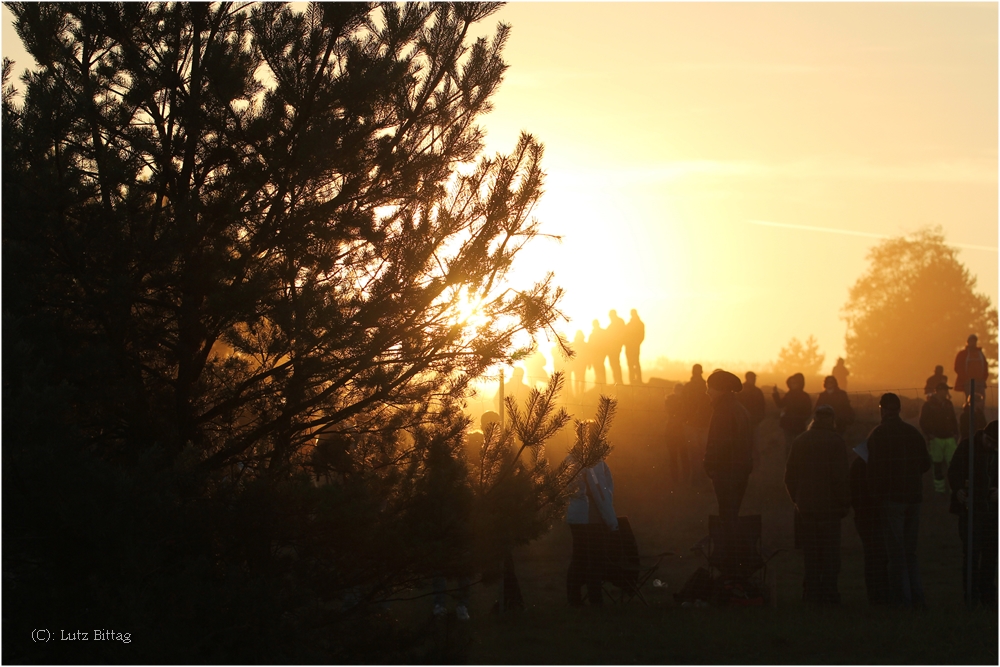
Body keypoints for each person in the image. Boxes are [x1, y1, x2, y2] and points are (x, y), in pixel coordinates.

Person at [866, 393, 931, 608]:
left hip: (892, 499)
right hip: (914, 497)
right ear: (899, 410)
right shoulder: (913, 433)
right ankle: (918, 596)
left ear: (882, 409)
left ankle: (901, 600)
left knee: (895, 551)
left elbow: (872, 469)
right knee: (910, 551)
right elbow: (926, 464)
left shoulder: (878, 434)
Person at [784, 405, 851, 604]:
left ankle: (811, 593)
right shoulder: (836, 442)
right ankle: (829, 594)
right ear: (832, 420)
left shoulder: (800, 440)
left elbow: (789, 476)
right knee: (830, 554)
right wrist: (845, 502)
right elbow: (840, 478)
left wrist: (797, 500)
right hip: (830, 507)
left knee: (811, 553)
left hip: (806, 507)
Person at [947, 420, 998, 607]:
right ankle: (971, 596)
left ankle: (987, 596)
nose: (992, 445)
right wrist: (958, 488)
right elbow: (954, 470)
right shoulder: (967, 447)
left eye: (996, 443)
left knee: (991, 555)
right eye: (990, 441)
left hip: (993, 514)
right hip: (970, 511)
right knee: (971, 554)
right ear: (983, 434)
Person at [565, 452, 619, 606]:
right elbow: (600, 493)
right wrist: (610, 520)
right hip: (592, 518)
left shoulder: (570, 459)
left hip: (576, 516)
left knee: (579, 559)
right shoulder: (593, 463)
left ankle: (574, 600)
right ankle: (596, 602)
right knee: (595, 561)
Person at [704, 370, 753, 519]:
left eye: (710, 387)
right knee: (732, 511)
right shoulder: (739, 408)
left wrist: (710, 464)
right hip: (740, 469)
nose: (707, 392)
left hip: (726, 471)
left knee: (726, 512)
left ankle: (727, 540)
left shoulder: (723, 411)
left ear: (720, 389)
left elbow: (720, 443)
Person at [850, 440, 889, 605]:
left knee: (871, 555)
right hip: (875, 515)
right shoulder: (877, 466)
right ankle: (881, 593)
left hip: (863, 516)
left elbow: (853, 493)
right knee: (880, 555)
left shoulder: (856, 466)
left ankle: (874, 594)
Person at [919, 383, 959, 494]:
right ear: (939, 390)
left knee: (954, 464)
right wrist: (929, 434)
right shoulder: (928, 405)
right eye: (945, 390)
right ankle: (939, 489)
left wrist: (956, 433)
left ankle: (954, 488)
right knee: (937, 465)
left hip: (949, 438)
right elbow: (922, 421)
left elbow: (953, 419)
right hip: (936, 439)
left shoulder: (948, 403)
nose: (947, 392)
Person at [683, 364, 713, 484]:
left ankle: (695, 477)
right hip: (702, 423)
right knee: (702, 452)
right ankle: (701, 477)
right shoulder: (705, 386)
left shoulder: (688, 387)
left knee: (694, 452)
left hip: (692, 423)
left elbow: (683, 404)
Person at [773, 373, 812, 458]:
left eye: (795, 383)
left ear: (800, 383)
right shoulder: (789, 394)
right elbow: (780, 404)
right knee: (789, 445)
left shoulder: (805, 396)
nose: (792, 385)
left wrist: (801, 419)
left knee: (799, 445)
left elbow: (808, 412)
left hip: (799, 425)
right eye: (791, 383)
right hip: (787, 424)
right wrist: (776, 394)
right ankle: (789, 463)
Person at [664, 383, 691, 485]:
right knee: (677, 456)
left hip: (675, 430)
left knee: (681, 456)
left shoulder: (670, 400)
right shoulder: (683, 401)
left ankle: (682, 479)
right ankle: (678, 479)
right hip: (679, 430)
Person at [954, 334, 989, 399]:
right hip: (968, 382)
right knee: (970, 401)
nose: (973, 343)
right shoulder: (962, 354)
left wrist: (983, 379)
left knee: (981, 401)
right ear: (968, 342)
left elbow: (985, 366)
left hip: (980, 382)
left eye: (974, 341)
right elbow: (957, 367)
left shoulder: (980, 354)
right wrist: (965, 379)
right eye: (971, 341)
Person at [624, 309, 645, 385]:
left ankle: (638, 380)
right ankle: (633, 380)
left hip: (634, 347)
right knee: (630, 364)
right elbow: (624, 336)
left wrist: (635, 344)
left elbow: (641, 337)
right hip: (629, 347)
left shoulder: (639, 324)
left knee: (635, 363)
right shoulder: (629, 324)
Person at [606, 309, 627, 386]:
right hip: (612, 348)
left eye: (610, 316)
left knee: (615, 363)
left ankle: (619, 381)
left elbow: (622, 334)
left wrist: (618, 342)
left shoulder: (619, 322)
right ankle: (617, 380)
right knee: (613, 363)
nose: (610, 318)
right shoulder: (612, 324)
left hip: (616, 347)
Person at [587, 320, 608, 387]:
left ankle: (601, 383)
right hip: (597, 354)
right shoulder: (600, 333)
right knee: (598, 368)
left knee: (599, 367)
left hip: (599, 354)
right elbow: (589, 346)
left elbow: (590, 346)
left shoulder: (594, 334)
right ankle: (600, 383)